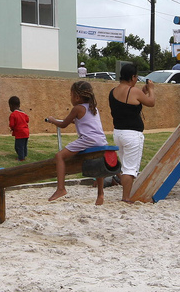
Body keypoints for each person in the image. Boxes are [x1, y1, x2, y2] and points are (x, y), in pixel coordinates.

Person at [44, 80, 108, 204]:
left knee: (59, 156)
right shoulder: (93, 108)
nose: (71, 98)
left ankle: (61, 188)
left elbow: (63, 125)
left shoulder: (77, 108)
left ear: (77, 97)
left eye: (71, 95)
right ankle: (100, 194)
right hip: (101, 140)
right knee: (98, 162)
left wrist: (52, 120)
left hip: (88, 139)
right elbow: (84, 122)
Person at [107, 63, 155, 203]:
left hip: (118, 133)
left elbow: (131, 101)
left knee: (125, 166)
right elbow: (151, 102)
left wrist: (143, 91)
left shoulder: (113, 91)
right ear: (133, 76)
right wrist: (151, 89)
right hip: (132, 134)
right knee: (130, 169)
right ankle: (126, 198)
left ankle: (125, 194)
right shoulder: (133, 92)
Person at [8, 96, 30, 162]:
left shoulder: (13, 115)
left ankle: (21, 158)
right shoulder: (24, 113)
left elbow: (12, 124)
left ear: (11, 105)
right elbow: (27, 120)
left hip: (20, 132)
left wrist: (12, 128)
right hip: (26, 132)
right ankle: (24, 154)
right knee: (24, 145)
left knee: (18, 146)